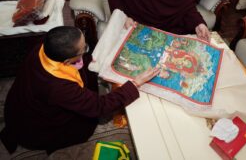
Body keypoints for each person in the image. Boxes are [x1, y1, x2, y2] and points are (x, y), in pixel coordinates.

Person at [0, 26, 159, 154]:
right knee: (84, 125)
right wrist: (134, 84)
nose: (86, 50)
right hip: (38, 127)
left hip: (20, 105)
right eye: (84, 49)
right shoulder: (58, 87)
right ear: (68, 60)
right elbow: (99, 107)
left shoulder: (45, 46)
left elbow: (80, 62)